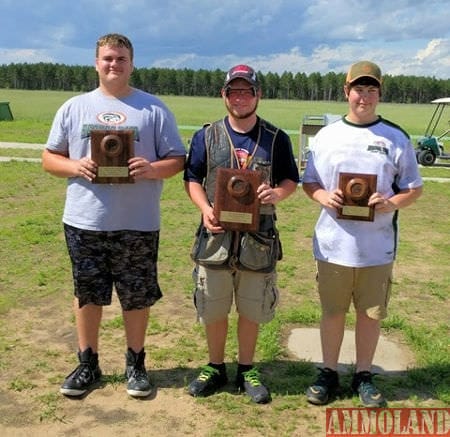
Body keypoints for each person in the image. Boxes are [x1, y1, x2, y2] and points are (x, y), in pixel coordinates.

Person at [42, 33, 186, 398]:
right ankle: (88, 362)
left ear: (131, 64)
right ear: (96, 63)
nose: (113, 65)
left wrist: (152, 169)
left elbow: (177, 160)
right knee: (88, 294)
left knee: (136, 296)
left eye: (121, 59)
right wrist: (76, 166)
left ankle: (136, 364)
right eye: (107, 58)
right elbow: (49, 158)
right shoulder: (74, 107)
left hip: (137, 222)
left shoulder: (153, 109)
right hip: (85, 221)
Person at [302, 60, 423, 407]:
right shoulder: (327, 136)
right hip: (333, 246)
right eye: (359, 89)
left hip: (376, 249)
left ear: (380, 94)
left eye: (372, 90)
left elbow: (414, 188)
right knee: (332, 312)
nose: (364, 97)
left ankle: (364, 374)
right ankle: (328, 371)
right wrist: (324, 196)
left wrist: (391, 202)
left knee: (370, 315)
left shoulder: (396, 137)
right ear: (347, 91)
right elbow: (310, 182)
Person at [183, 64, 299, 404]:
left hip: (258, 241)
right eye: (233, 91)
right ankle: (215, 366)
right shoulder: (206, 136)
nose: (240, 97)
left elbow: (290, 179)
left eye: (246, 91)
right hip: (215, 239)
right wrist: (205, 209)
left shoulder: (277, 138)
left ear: (258, 95)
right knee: (214, 306)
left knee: (251, 307)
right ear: (224, 95)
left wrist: (278, 194)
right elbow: (192, 178)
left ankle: (247, 368)